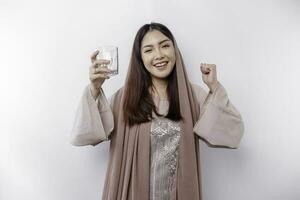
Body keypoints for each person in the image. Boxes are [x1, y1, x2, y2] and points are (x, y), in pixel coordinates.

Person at [70, 22, 244, 200]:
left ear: (174, 50)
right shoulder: (124, 98)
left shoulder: (193, 96)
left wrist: (214, 87)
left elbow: (230, 134)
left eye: (165, 46)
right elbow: (86, 135)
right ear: (140, 58)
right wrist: (94, 89)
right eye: (149, 50)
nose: (159, 55)